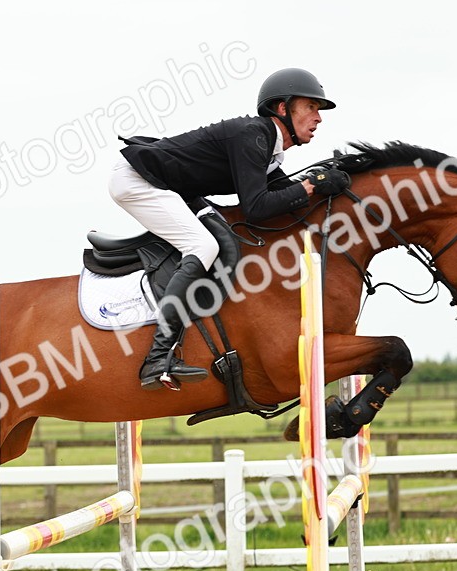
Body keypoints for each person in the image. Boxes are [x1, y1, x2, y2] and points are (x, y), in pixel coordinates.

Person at [109, 67, 350, 390]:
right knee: (204, 246)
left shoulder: (268, 148)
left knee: (224, 238)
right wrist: (309, 186)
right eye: (310, 107)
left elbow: (286, 197)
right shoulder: (253, 136)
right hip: (139, 180)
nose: (318, 118)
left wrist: (323, 183)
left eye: (318, 111)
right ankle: (158, 356)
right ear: (282, 108)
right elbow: (257, 206)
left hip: (174, 188)